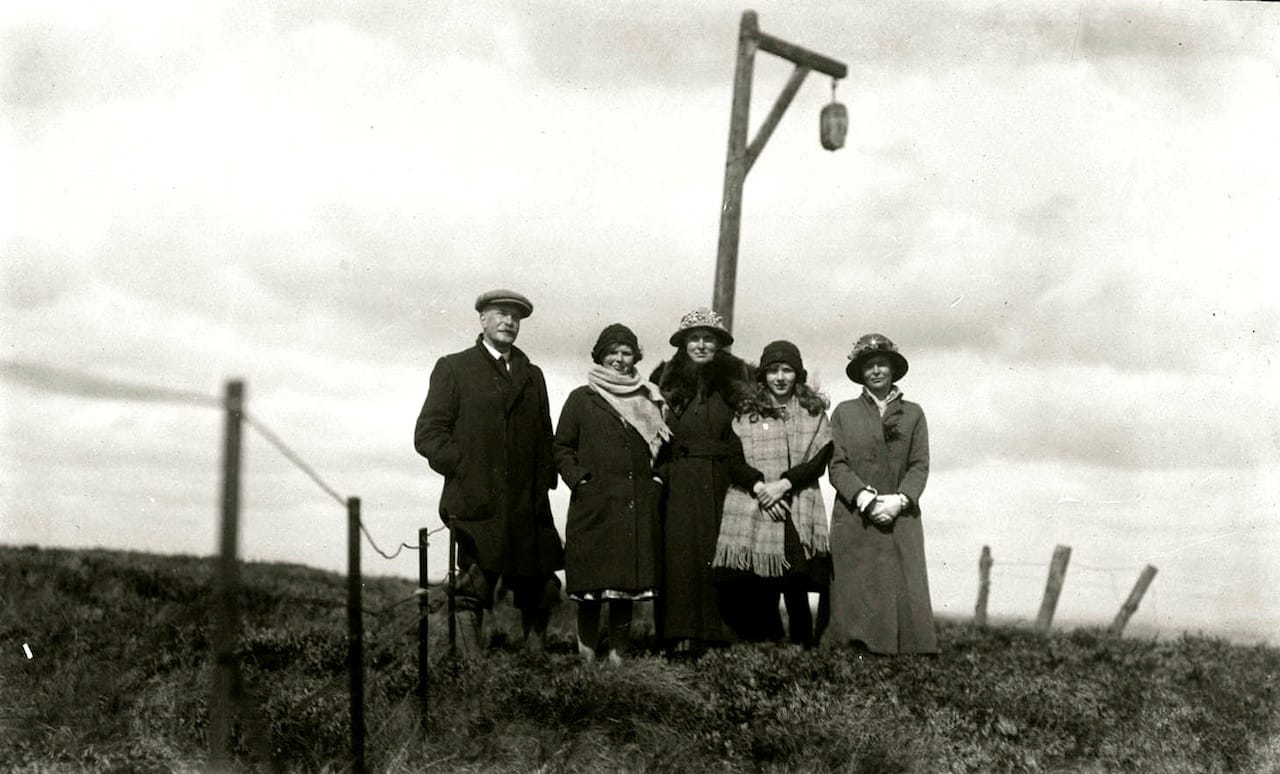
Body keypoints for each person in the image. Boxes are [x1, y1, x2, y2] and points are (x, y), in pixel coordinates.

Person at [414, 289, 564, 656]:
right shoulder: (454, 367)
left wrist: (544, 479)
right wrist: (464, 467)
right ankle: (472, 671)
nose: (508, 321)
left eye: (515, 316)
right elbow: (428, 434)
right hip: (477, 500)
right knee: (472, 586)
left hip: (527, 504)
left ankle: (534, 663)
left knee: (541, 585)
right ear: (482, 319)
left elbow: (546, 434)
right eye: (500, 313)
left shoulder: (533, 375)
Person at [553, 323, 671, 663]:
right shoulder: (581, 399)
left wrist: (657, 483)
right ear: (600, 357)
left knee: (625, 590)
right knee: (590, 590)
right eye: (613, 352)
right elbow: (561, 448)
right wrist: (580, 482)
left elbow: (665, 452)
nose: (620, 359)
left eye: (626, 352)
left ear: (636, 356)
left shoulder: (649, 399)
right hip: (595, 508)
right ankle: (587, 659)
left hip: (635, 507)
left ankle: (620, 660)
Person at [650, 308, 762, 653]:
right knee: (678, 557)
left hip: (722, 478)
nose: (700, 345)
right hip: (678, 477)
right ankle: (676, 636)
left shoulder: (737, 382)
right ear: (683, 344)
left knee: (720, 554)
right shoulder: (663, 381)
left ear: (718, 344)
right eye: (694, 338)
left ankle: (718, 638)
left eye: (707, 338)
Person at [713, 340, 833, 648]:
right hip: (756, 503)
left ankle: (802, 650)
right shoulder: (746, 412)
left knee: (795, 583)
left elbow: (818, 461)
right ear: (763, 376)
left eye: (787, 370)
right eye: (773, 371)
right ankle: (763, 646)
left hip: (796, 504)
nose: (780, 377)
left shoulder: (813, 413)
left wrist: (783, 486)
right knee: (760, 581)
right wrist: (760, 489)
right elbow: (734, 459)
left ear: (798, 374)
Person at [824, 333, 937, 654]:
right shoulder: (844, 413)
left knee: (901, 582)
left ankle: (906, 650)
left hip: (900, 515)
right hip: (856, 514)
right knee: (856, 584)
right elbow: (837, 464)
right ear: (860, 373)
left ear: (893, 370)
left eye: (882, 364)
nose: (875, 371)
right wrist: (865, 499)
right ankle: (854, 647)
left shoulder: (914, 414)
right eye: (868, 365)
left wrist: (900, 500)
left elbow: (920, 465)